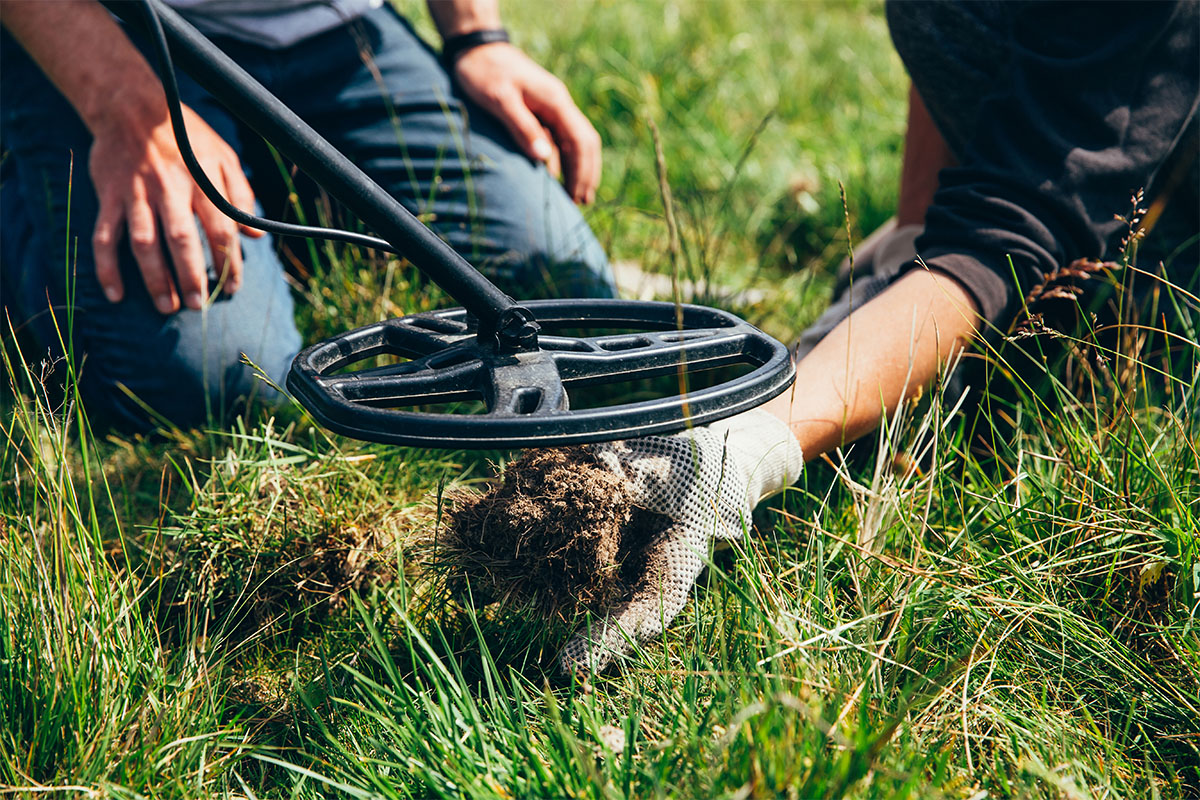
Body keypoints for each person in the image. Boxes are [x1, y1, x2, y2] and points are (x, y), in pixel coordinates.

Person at [557, 0, 1199, 672]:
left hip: (1165, 271)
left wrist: (747, 446)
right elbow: (945, 209)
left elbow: (1006, 237)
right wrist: (902, 253)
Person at [0, 0, 615, 433]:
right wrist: (124, 105)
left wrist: (477, 37)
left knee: (565, 291)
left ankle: (271, 193)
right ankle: (34, 207)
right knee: (222, 384)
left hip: (342, 31)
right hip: (118, 27)